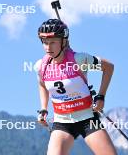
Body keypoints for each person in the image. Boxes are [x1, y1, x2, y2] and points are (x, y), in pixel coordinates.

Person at [35, 19, 117, 155]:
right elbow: (42, 85)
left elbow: (108, 67)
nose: (48, 47)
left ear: (64, 41)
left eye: (53, 42)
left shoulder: (79, 60)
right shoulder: (40, 66)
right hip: (62, 122)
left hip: (87, 119)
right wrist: (43, 108)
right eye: (45, 42)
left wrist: (101, 96)